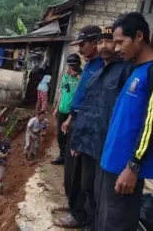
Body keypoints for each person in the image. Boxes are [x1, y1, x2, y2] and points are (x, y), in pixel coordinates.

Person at [61, 26, 132, 231]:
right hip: (87, 136)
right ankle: (81, 216)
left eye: (110, 42)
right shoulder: (97, 72)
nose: (104, 46)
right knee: (84, 183)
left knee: (95, 189)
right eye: (101, 42)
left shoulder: (123, 72)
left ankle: (85, 219)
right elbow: (89, 108)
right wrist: (78, 138)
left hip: (104, 141)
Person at [97, 12, 153, 231]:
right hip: (110, 164)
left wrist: (133, 165)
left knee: (117, 223)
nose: (116, 48)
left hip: (126, 171)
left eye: (120, 42)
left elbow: (150, 124)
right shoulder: (135, 70)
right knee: (105, 220)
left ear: (139, 36)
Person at [53, 25, 104, 229]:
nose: (80, 49)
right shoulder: (91, 65)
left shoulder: (101, 67)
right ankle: (74, 205)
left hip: (85, 126)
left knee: (82, 175)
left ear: (95, 43)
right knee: (72, 172)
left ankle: (79, 214)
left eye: (83, 44)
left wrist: (74, 118)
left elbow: (90, 101)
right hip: (76, 121)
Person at [51, 53, 82, 165]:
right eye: (70, 66)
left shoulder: (81, 78)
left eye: (74, 66)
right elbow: (62, 92)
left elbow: (85, 90)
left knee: (70, 136)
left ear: (78, 65)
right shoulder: (65, 76)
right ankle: (62, 156)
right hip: (62, 110)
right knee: (60, 136)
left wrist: (78, 77)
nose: (71, 68)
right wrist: (56, 107)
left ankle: (70, 160)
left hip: (72, 113)